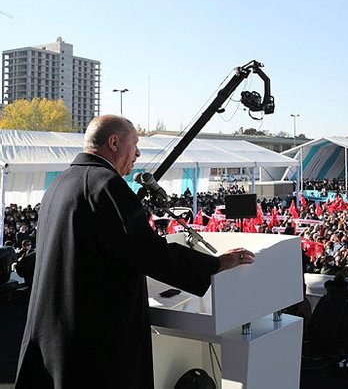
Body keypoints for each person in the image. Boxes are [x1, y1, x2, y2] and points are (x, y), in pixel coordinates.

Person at [15, 115, 255, 389]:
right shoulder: (107, 185)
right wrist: (215, 264)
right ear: (114, 142)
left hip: (55, 329)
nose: (138, 153)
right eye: (135, 143)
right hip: (94, 339)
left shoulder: (61, 183)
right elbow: (150, 252)